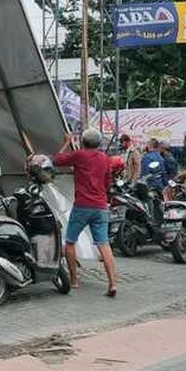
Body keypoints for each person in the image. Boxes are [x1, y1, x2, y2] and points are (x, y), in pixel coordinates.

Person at [53, 128, 118, 298]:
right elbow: (107, 183)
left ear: (83, 142)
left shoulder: (80, 155)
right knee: (104, 244)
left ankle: (74, 279)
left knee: (70, 242)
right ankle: (112, 283)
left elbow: (56, 160)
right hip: (100, 206)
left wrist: (67, 142)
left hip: (82, 205)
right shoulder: (105, 159)